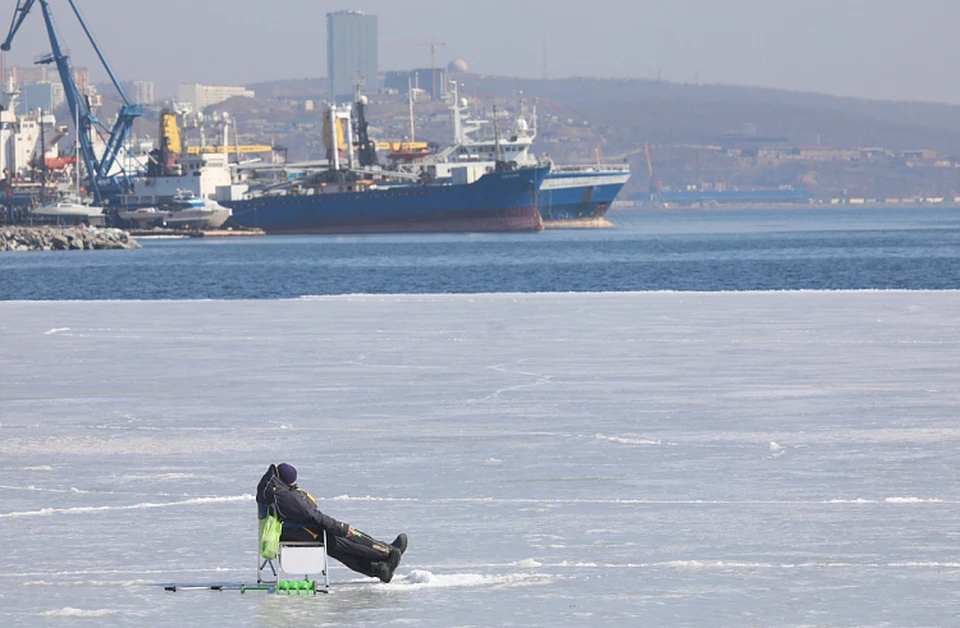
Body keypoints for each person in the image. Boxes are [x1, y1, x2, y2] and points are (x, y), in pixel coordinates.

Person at [257, 462, 408, 583]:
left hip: (290, 532)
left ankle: (380, 569)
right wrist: (342, 528)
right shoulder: (285, 496)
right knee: (347, 537)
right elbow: (313, 515)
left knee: (338, 548)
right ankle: (388, 552)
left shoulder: (271, 489)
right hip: (299, 532)